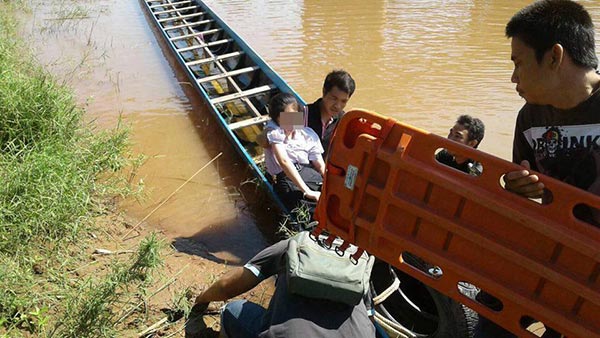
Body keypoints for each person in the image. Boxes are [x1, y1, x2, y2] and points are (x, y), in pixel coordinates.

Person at [476, 1, 600, 337]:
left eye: (519, 63)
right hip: (552, 255)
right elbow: (523, 192)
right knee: (492, 316)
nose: (513, 77)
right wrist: (518, 188)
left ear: (554, 57)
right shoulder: (530, 118)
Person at [189, 232, 376, 338]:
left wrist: (201, 299)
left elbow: (226, 287)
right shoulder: (362, 262)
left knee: (231, 310)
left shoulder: (298, 245)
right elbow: (370, 321)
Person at [257, 70, 356, 158]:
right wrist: (268, 136)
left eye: (343, 101)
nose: (338, 106)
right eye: (334, 98)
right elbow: (261, 138)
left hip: (321, 172)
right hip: (299, 171)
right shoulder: (304, 115)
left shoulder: (342, 120)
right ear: (324, 91)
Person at [263, 93, 325, 214]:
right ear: (277, 120)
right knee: (310, 208)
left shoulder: (307, 134)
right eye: (286, 118)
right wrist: (307, 191)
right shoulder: (275, 132)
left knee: (328, 196)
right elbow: (284, 161)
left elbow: (320, 165)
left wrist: (328, 183)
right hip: (286, 178)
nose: (291, 122)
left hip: (308, 174)